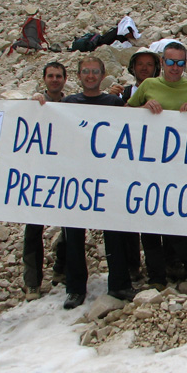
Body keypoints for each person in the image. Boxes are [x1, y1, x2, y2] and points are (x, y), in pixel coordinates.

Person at [126, 41, 187, 289]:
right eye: (171, 62)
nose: (175, 68)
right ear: (162, 63)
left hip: (180, 167)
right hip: (149, 164)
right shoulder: (149, 85)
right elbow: (123, 116)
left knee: (175, 216)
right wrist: (142, 108)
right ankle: (156, 277)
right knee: (149, 218)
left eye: (180, 63)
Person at [60, 56, 137, 309]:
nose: (90, 76)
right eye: (86, 72)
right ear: (79, 75)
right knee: (73, 237)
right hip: (77, 177)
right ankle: (75, 289)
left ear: (103, 75)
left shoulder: (114, 102)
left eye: (95, 71)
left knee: (114, 233)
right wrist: (38, 103)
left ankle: (119, 283)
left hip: (108, 178)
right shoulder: (68, 103)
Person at [23, 62, 69, 300]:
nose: (54, 79)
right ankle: (32, 282)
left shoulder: (72, 105)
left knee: (68, 228)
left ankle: (60, 269)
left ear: (65, 79)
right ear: (44, 78)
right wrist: (31, 106)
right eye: (50, 76)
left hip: (64, 175)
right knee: (33, 231)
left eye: (58, 76)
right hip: (37, 176)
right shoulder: (35, 105)